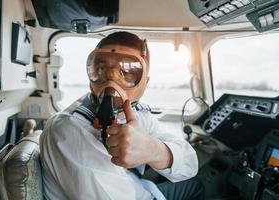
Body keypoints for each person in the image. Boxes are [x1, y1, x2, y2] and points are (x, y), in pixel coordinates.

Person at [40, 31, 204, 200]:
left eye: (127, 72)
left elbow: (190, 165)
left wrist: (153, 150)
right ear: (92, 76)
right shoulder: (71, 131)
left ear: (144, 84)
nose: (111, 80)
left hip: (141, 187)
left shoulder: (137, 113)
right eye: (102, 69)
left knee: (195, 185)